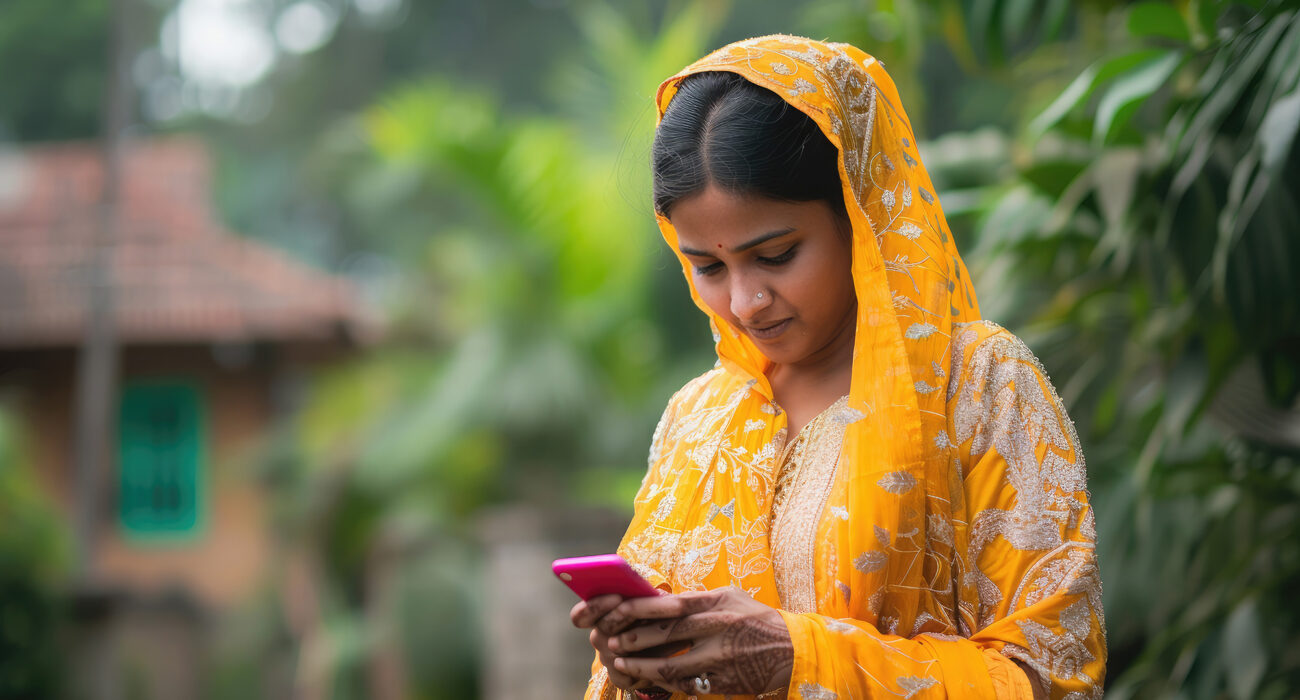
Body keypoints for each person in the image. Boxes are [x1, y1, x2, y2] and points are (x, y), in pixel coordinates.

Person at [570, 35, 1105, 699]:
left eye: (775, 255)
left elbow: (1051, 679)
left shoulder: (978, 385)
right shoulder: (696, 420)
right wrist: (639, 668)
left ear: (860, 212)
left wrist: (802, 662)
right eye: (707, 268)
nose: (744, 302)